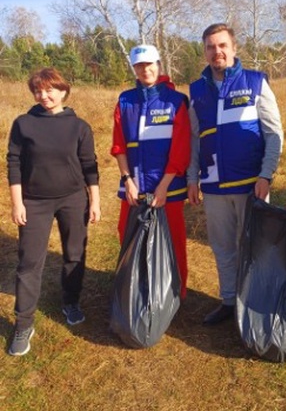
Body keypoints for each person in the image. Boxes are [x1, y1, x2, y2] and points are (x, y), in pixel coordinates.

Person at [188, 23, 283, 325]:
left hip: (251, 186)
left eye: (222, 45)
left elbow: (274, 133)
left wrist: (266, 175)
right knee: (223, 248)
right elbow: (193, 139)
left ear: (233, 48)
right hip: (214, 188)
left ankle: (255, 305)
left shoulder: (255, 82)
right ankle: (229, 302)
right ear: (204, 52)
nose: (217, 51)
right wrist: (192, 178)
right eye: (211, 47)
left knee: (255, 248)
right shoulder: (197, 91)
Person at [7, 67, 101, 356]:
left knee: (74, 254)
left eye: (49, 89)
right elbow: (13, 163)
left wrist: (94, 201)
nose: (43, 95)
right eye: (38, 90)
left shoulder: (80, 126)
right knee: (29, 263)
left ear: (63, 91)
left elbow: (90, 166)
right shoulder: (23, 124)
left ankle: (70, 302)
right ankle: (24, 323)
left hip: (73, 199)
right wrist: (17, 202)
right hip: (34, 202)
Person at [110, 44, 190, 299]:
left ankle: (175, 293)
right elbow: (119, 145)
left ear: (159, 64)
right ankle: (136, 291)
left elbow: (180, 150)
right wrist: (127, 180)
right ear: (134, 68)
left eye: (150, 64)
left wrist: (164, 186)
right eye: (140, 65)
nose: (146, 69)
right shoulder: (125, 100)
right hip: (133, 189)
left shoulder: (176, 101)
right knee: (129, 238)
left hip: (169, 188)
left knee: (173, 242)